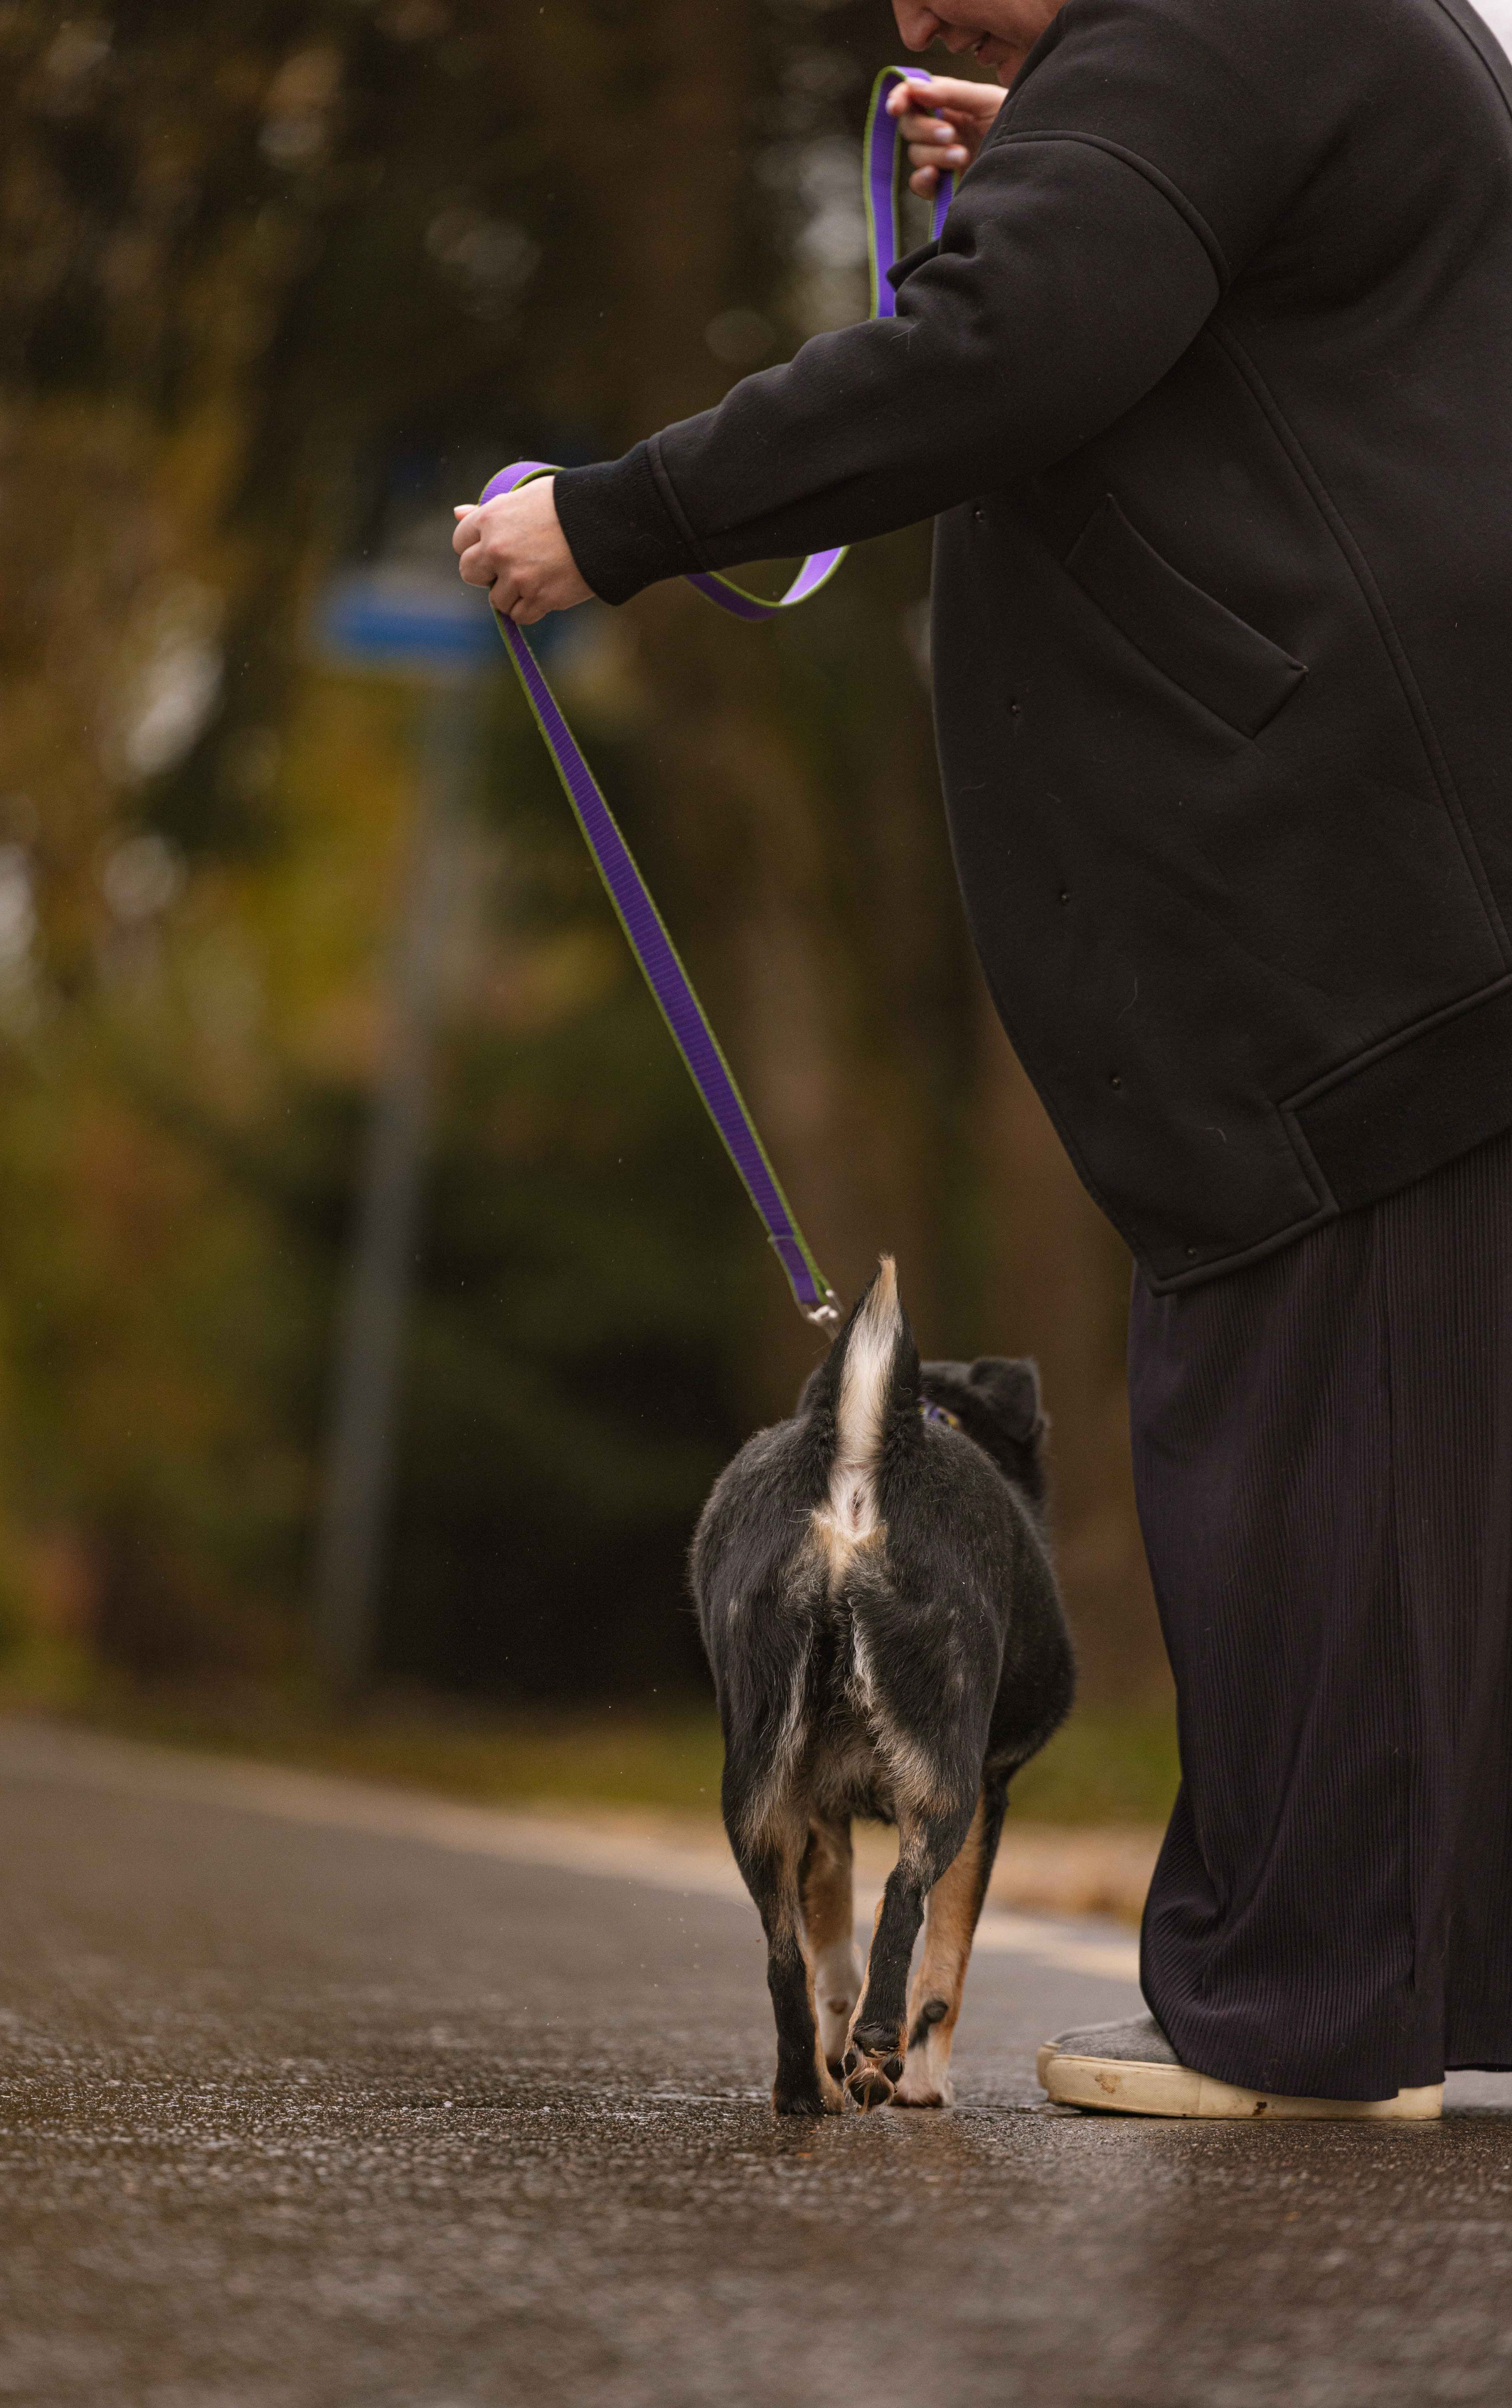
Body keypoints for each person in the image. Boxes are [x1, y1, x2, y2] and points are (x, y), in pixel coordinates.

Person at [454, 0, 1512, 2121]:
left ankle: (1310, 2016)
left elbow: (1000, 347)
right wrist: (1066, 141)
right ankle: (1394, 1987)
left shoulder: (1197, 25)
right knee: (1413, 1461)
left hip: (1339, 924)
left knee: (1311, 1450)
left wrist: (619, 517)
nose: (904, 16)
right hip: (1401, 887)